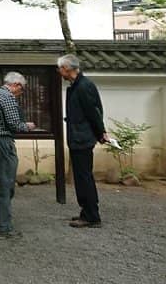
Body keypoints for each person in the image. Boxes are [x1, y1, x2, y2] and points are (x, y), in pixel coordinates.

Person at [58, 53, 108, 228]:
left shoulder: (84, 86)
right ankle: (86, 211)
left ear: (67, 68)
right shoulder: (77, 86)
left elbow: (94, 111)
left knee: (84, 176)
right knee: (81, 176)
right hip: (79, 135)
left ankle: (92, 215)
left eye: (60, 68)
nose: (59, 72)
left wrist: (101, 132)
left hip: (82, 136)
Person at [0, 72, 36, 239]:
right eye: (22, 89)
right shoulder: (7, 97)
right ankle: (3, 228)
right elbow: (14, 124)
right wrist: (27, 126)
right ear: (16, 85)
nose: (21, 93)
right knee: (5, 186)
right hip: (3, 143)